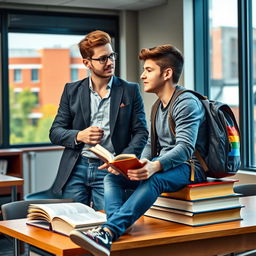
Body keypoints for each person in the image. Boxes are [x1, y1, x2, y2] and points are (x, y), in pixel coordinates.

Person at [69, 44, 208, 256]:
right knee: (112, 177)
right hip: (164, 164)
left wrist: (154, 166)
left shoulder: (186, 102)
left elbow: (185, 148)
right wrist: (135, 163)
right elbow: (151, 145)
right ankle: (116, 226)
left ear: (167, 73)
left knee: (155, 179)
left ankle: (108, 231)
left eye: (149, 70)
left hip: (189, 167)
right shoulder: (157, 105)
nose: (142, 76)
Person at [49, 30, 148, 211]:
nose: (110, 62)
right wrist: (80, 135)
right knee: (71, 223)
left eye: (112, 56)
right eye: (103, 59)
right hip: (76, 168)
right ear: (87, 63)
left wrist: (122, 161)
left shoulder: (130, 90)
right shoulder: (71, 91)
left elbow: (141, 132)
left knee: (109, 222)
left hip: (110, 170)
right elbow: (55, 132)